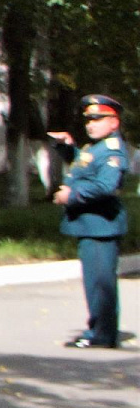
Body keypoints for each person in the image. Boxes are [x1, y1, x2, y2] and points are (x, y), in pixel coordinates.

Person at [49, 94, 127, 348]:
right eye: (88, 120)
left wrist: (72, 195)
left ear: (113, 122)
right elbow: (83, 167)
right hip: (91, 226)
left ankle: (103, 334)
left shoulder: (112, 151)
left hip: (101, 226)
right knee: (94, 282)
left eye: (98, 119)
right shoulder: (94, 148)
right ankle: (97, 329)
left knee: (101, 284)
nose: (90, 124)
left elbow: (106, 185)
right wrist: (66, 147)